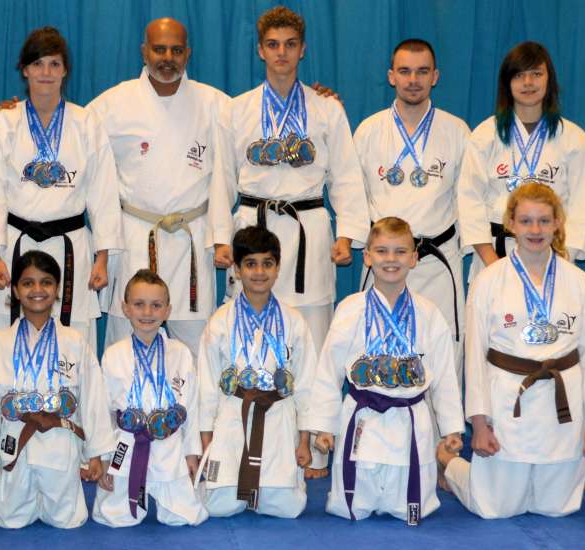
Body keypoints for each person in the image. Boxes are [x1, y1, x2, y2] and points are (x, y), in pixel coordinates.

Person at [209, 6, 369, 475]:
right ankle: (244, 438)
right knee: (247, 332)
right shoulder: (235, 110)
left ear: (302, 49)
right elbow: (220, 178)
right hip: (253, 227)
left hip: (308, 229)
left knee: (312, 338)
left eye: (290, 45)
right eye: (273, 45)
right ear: (260, 50)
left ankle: (314, 446)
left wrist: (350, 234)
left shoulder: (327, 109)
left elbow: (346, 176)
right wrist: (222, 238)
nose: (281, 54)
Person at [439, 183, 585, 518]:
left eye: (544, 221)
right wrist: (479, 424)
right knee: (495, 509)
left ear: (558, 224)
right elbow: (475, 358)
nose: (535, 230)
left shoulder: (579, 283)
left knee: (556, 509)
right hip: (508, 406)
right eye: (526, 221)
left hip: (563, 409)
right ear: (511, 224)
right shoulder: (489, 280)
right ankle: (448, 463)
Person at [86, 17, 231, 357]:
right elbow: (68, 134)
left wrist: (317, 103)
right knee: (125, 342)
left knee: (199, 348)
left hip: (191, 238)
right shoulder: (111, 105)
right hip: (137, 234)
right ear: (144, 51)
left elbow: (257, 123)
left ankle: (196, 411)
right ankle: (119, 410)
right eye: (159, 49)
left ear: (188, 53)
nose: (168, 57)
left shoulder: (217, 105)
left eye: (176, 50)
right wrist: (20, 111)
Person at [310, 217, 463, 525]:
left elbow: (445, 376)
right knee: (354, 504)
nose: (391, 259)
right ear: (367, 256)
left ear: (414, 257)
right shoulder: (350, 309)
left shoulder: (429, 313)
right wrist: (324, 426)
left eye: (400, 251)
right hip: (362, 416)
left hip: (409, 418)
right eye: (381, 251)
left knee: (408, 504)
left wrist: (452, 429)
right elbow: (328, 371)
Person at [0, 26, 122, 346]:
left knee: (73, 342)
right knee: (8, 338)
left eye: (54, 64)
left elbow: (103, 193)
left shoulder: (86, 123)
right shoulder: (3, 123)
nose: (46, 72)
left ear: (65, 71)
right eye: (38, 64)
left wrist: (102, 258)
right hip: (17, 244)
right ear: (25, 70)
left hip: (70, 246)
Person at [0, 250, 116, 528]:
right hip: (14, 442)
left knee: (69, 521)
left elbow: (93, 401)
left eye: (46, 282)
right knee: (10, 521)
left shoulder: (75, 341)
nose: (37, 290)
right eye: (28, 283)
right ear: (16, 290)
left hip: (60, 445)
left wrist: (97, 455)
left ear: (57, 290)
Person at [353, 39, 470, 360]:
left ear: (435, 76)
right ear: (391, 76)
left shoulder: (457, 131)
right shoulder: (368, 131)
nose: (413, 80)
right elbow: (352, 196)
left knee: (441, 355)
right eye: (404, 71)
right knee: (377, 350)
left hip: (437, 259)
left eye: (422, 71)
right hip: (384, 262)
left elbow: (469, 201)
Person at [196, 225, 316, 518]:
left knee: (288, 508)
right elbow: (208, 385)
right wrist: (207, 440)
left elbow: (306, 384)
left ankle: (274, 484)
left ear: (277, 268)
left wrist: (304, 440)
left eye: (267, 263)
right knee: (218, 507)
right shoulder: (220, 322)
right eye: (250, 264)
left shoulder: (294, 321)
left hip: (278, 416)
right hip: (231, 416)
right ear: (236, 269)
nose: (259, 272)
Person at [458, 41, 585, 276]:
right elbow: (469, 199)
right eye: (519, 75)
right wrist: (492, 262)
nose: (528, 82)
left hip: (553, 257)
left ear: (548, 79)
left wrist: (563, 261)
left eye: (536, 74)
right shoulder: (485, 134)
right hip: (494, 254)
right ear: (507, 83)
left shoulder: (574, 138)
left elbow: (581, 206)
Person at [92, 269, 207, 527]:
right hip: (127, 446)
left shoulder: (181, 353)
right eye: (139, 304)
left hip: (170, 446)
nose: (147, 313)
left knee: (183, 518)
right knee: (116, 518)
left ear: (167, 311)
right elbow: (103, 412)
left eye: (156, 306)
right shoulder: (113, 355)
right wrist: (103, 457)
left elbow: (190, 408)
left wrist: (191, 453)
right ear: (126, 308)